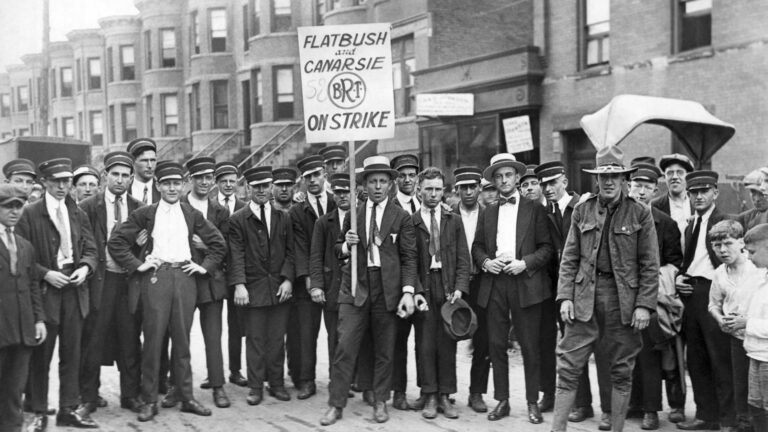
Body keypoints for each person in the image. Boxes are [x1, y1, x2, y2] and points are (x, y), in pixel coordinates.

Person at [551, 145, 659, 432]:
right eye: (602, 177)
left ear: (624, 178)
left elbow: (650, 264)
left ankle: (617, 428)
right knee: (568, 365)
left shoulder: (640, 214)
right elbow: (569, 258)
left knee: (622, 370)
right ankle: (556, 429)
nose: (608, 182)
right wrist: (565, 297)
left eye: (615, 176)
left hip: (623, 301)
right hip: (584, 296)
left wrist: (644, 305)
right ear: (595, 179)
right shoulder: (582, 211)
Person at [108, 161, 226, 422]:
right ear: (158, 186)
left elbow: (218, 243)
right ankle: (150, 399)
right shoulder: (145, 213)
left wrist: (204, 267)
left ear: (183, 185)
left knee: (183, 340)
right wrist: (139, 265)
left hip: (185, 278)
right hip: (156, 279)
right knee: (153, 341)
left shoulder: (192, 213)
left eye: (176, 183)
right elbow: (116, 241)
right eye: (166, 183)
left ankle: (186, 397)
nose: (172, 188)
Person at [320, 155, 419, 426]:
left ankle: (380, 402)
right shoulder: (355, 214)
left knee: (385, 349)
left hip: (387, 289)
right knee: (345, 346)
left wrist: (408, 291)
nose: (377, 186)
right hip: (355, 287)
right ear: (364, 184)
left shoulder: (402, 217)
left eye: (382, 181)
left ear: (390, 184)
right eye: (372, 181)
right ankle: (336, 404)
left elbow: (409, 257)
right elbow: (339, 249)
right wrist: (345, 245)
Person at [16, 158, 99, 431]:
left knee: (72, 353)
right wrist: (46, 274)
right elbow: (22, 257)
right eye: (57, 181)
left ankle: (68, 409)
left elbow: (91, 248)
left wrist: (86, 267)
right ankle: (38, 411)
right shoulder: (29, 213)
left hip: (75, 291)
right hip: (45, 292)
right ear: (45, 183)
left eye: (66, 181)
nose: (63, 186)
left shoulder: (77, 212)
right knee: (42, 355)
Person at [472, 153, 554, 424]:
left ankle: (532, 402)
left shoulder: (535, 209)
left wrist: (524, 263)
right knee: (496, 344)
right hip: (496, 283)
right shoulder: (489, 211)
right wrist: (486, 262)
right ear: (493, 181)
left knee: (529, 344)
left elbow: (547, 249)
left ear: (518, 178)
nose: (504, 180)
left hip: (525, 282)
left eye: (508, 175)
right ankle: (502, 400)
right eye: (499, 176)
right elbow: (477, 247)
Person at [77, 152, 144, 415]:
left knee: (130, 339)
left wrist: (139, 247)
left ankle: (130, 395)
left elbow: (147, 249)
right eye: (115, 174)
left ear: (131, 178)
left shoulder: (139, 208)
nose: (120, 180)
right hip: (100, 282)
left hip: (128, 282)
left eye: (125, 175)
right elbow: (82, 244)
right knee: (93, 339)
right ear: (105, 176)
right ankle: (89, 397)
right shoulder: (89, 207)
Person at [228, 165, 295, 406]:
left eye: (266, 186)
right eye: (256, 187)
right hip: (253, 289)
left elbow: (291, 251)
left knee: (277, 339)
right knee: (255, 339)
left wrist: (288, 279)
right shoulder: (238, 219)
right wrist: (239, 285)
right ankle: (256, 387)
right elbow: (235, 254)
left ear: (271, 187)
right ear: (248, 188)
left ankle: (276, 383)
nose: (261, 191)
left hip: (279, 288)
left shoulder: (283, 217)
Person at [675, 170, 735, 431]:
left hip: (715, 293)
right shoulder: (691, 225)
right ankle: (705, 415)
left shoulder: (724, 223)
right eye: (693, 192)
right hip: (691, 293)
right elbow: (689, 260)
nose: (698, 196)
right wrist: (679, 277)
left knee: (719, 357)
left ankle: (728, 418)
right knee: (696, 358)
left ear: (715, 193)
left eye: (704, 191)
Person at [626, 160, 684, 430]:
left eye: (647, 187)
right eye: (637, 186)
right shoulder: (618, 216)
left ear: (654, 190)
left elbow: (674, 261)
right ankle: (633, 404)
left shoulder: (666, 223)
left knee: (649, 353)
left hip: (651, 296)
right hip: (622, 294)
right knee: (627, 352)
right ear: (629, 187)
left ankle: (651, 409)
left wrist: (654, 280)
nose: (640, 192)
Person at [411, 167, 470, 419]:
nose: (433, 194)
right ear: (419, 190)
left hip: (447, 286)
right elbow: (408, 261)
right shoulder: (410, 222)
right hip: (424, 287)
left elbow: (463, 258)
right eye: (428, 189)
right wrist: (414, 290)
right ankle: (430, 394)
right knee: (425, 342)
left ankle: (445, 394)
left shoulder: (453, 220)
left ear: (443, 191)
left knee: (447, 341)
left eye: (438, 189)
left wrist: (459, 287)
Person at [179, 157, 231, 409]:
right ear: (190, 180)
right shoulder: (175, 205)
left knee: (213, 336)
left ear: (213, 181)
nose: (204, 182)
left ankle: (218, 386)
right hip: (183, 280)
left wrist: (207, 249)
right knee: (179, 336)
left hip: (211, 280)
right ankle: (177, 386)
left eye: (208, 177)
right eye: (198, 177)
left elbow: (226, 246)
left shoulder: (220, 211)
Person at [535, 161, 582, 416]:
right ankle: (549, 394)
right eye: (544, 184)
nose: (548, 188)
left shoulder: (580, 208)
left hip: (574, 288)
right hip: (549, 287)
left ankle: (581, 402)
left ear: (564, 181)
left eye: (553, 182)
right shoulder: (545, 211)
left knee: (574, 343)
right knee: (546, 343)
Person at [708, 220, 763, 432]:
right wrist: (720, 318)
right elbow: (713, 304)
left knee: (759, 389)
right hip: (736, 339)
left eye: (728, 243)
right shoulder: (720, 273)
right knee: (738, 384)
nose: (722, 250)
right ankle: (742, 423)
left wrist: (747, 321)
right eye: (717, 246)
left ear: (741, 243)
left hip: (759, 339)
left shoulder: (758, 268)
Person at [289, 155, 336, 400]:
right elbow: (299, 246)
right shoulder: (297, 211)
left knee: (336, 333)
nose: (313, 180)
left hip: (336, 280)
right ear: (303, 181)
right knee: (307, 333)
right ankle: (307, 380)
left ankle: (338, 379)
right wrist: (308, 277)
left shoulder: (338, 203)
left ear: (325, 175)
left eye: (317, 175)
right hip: (308, 283)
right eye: (308, 177)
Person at [0, 184, 46, 432]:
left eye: (19, 206)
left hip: (22, 329)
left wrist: (38, 320)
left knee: (14, 389)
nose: (14, 212)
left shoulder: (24, 245)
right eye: (8, 207)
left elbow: (32, 287)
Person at [451, 166, 490, 413]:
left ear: (479, 188)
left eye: (472, 187)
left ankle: (476, 393)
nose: (468, 192)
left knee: (483, 338)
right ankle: (444, 391)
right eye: (463, 187)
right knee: (447, 337)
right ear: (456, 190)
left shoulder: (489, 215)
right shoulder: (447, 214)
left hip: (482, 283)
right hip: (454, 284)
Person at [309, 172, 351, 382]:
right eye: (339, 192)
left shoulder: (362, 218)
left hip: (356, 288)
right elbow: (315, 256)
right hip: (332, 286)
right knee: (334, 336)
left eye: (347, 191)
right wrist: (316, 286)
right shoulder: (324, 222)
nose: (343, 196)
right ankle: (337, 379)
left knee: (352, 336)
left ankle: (355, 379)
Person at [389, 153, 422, 410]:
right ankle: (398, 391)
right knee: (398, 341)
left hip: (425, 288)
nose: (408, 180)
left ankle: (427, 391)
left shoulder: (427, 204)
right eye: (403, 175)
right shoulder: (389, 209)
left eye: (412, 175)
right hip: (399, 288)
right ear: (395, 179)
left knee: (425, 342)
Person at [213, 161, 249, 388]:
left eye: (232, 181)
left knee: (237, 324)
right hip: (215, 274)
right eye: (224, 181)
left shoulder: (245, 207)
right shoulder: (208, 207)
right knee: (213, 326)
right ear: (216, 183)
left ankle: (235, 370)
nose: (228, 185)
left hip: (238, 273)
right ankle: (212, 371)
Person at [742, 223, 768, 432]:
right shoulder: (761, 276)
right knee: (756, 405)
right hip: (756, 353)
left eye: (752, 252)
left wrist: (746, 324)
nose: (748, 258)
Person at [126, 138, 160, 205]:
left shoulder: (163, 190)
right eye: (144, 160)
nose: (150, 166)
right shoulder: (125, 189)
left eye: (153, 160)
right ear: (132, 162)